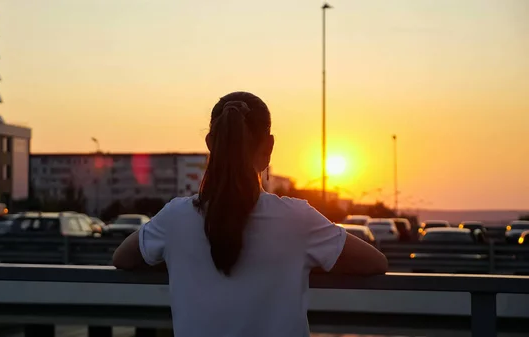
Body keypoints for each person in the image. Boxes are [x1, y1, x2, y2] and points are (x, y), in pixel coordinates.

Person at [113, 91, 388, 337]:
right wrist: (299, 259)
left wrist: (179, 256)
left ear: (211, 143)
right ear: (268, 146)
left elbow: (122, 257)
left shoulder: (175, 218)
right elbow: (375, 262)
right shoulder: (297, 220)